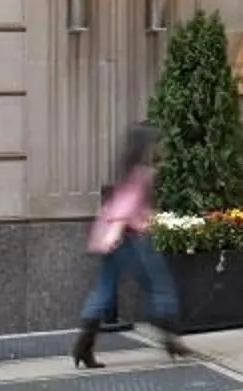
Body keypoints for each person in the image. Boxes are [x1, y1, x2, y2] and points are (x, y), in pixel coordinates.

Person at [74, 124, 187, 370]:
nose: (158, 148)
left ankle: (83, 346)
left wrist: (109, 235)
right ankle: (170, 339)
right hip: (130, 238)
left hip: (115, 238)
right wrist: (115, 233)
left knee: (104, 288)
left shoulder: (124, 170)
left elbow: (116, 204)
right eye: (155, 144)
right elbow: (125, 207)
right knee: (158, 283)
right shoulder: (140, 173)